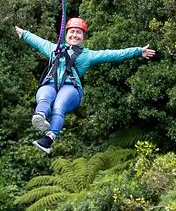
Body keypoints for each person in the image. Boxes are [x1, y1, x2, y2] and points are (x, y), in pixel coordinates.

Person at [15, 17, 156, 154]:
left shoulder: (87, 55)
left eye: (78, 32)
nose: (75, 35)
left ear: (83, 37)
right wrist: (24, 33)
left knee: (59, 105)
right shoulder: (54, 49)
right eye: (72, 32)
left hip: (71, 89)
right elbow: (38, 41)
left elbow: (113, 54)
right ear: (66, 34)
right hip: (50, 83)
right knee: (44, 95)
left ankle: (48, 139)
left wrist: (138, 51)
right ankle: (40, 115)